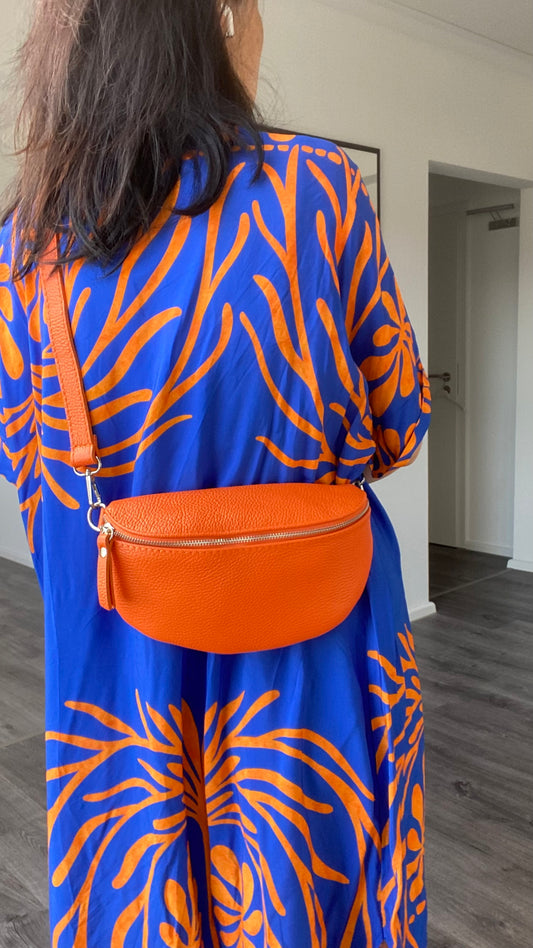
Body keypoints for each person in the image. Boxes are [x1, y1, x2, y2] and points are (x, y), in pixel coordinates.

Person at [0, 1, 431, 945]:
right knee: (307, 889)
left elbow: (36, 486)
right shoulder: (317, 189)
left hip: (120, 680)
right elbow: (400, 425)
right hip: (312, 659)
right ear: (224, 18)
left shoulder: (24, 246)